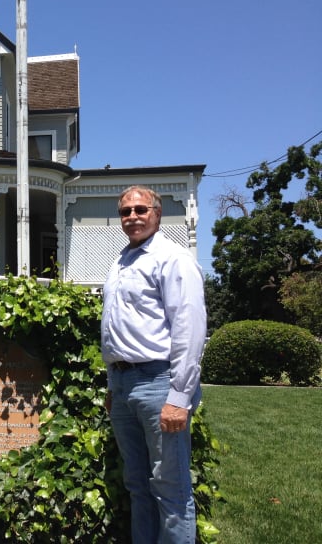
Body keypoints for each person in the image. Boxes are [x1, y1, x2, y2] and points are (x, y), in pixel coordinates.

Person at [101, 185, 207, 543]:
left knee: (170, 489)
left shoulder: (172, 258)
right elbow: (118, 326)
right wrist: (112, 385)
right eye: (126, 212)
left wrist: (180, 395)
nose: (132, 217)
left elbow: (189, 327)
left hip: (159, 382)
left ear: (157, 214)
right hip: (123, 385)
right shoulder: (121, 260)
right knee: (137, 485)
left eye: (140, 210)